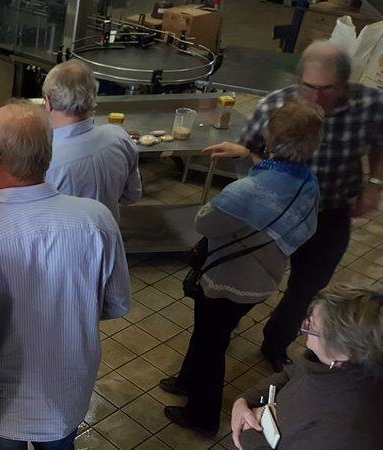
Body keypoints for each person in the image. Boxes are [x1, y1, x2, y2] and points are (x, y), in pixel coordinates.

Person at [0, 101, 131, 449]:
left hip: (0, 404)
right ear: (48, 153)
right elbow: (116, 305)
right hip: (69, 396)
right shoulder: (97, 220)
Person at [205, 41, 383, 371]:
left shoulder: (371, 105)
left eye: (326, 89)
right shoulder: (275, 106)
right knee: (247, 280)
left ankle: (276, 343)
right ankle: (223, 329)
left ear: (345, 83)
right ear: (298, 78)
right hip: (273, 219)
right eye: (308, 87)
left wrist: (374, 185)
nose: (315, 99)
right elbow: (246, 154)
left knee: (306, 289)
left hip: (330, 215)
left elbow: (380, 142)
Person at [160, 101, 324, 435]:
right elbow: (300, 227)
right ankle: (186, 379)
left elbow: (204, 223)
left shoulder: (247, 192)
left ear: (270, 140)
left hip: (227, 281)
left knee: (212, 343)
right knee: (208, 332)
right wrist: (247, 156)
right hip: (263, 281)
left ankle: (201, 416)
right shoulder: (308, 184)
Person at [230, 284, 383, 450]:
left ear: (342, 352)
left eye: (312, 326)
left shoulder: (344, 428)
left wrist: (250, 430)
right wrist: (244, 401)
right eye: (309, 319)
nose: (304, 327)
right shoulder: (329, 361)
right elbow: (292, 373)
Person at [43, 59, 141, 219]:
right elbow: (132, 196)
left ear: (48, 103)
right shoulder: (119, 138)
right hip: (109, 238)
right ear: (93, 96)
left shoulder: (46, 160)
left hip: (64, 243)